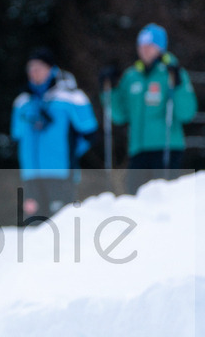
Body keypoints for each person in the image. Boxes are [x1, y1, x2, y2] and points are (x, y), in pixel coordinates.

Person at [101, 23, 199, 194]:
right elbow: (119, 116)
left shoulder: (172, 73)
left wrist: (178, 86)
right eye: (142, 45)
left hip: (166, 148)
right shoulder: (131, 76)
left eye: (150, 45)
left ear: (160, 48)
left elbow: (186, 113)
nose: (145, 50)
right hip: (137, 149)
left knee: (163, 198)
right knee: (136, 199)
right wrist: (110, 92)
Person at [10, 47, 98, 221]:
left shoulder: (71, 97)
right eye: (31, 68)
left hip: (61, 174)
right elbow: (17, 136)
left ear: (51, 69)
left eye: (39, 67)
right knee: (33, 225)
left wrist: (70, 154)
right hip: (31, 175)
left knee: (61, 223)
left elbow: (90, 133)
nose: (34, 72)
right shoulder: (22, 102)